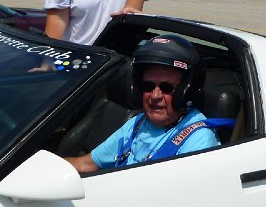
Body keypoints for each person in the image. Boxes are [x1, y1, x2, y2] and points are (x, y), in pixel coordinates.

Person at [66, 35, 220, 173]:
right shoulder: (138, 123)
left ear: (187, 92)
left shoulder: (198, 141)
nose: (155, 95)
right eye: (148, 86)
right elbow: (86, 164)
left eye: (167, 88)